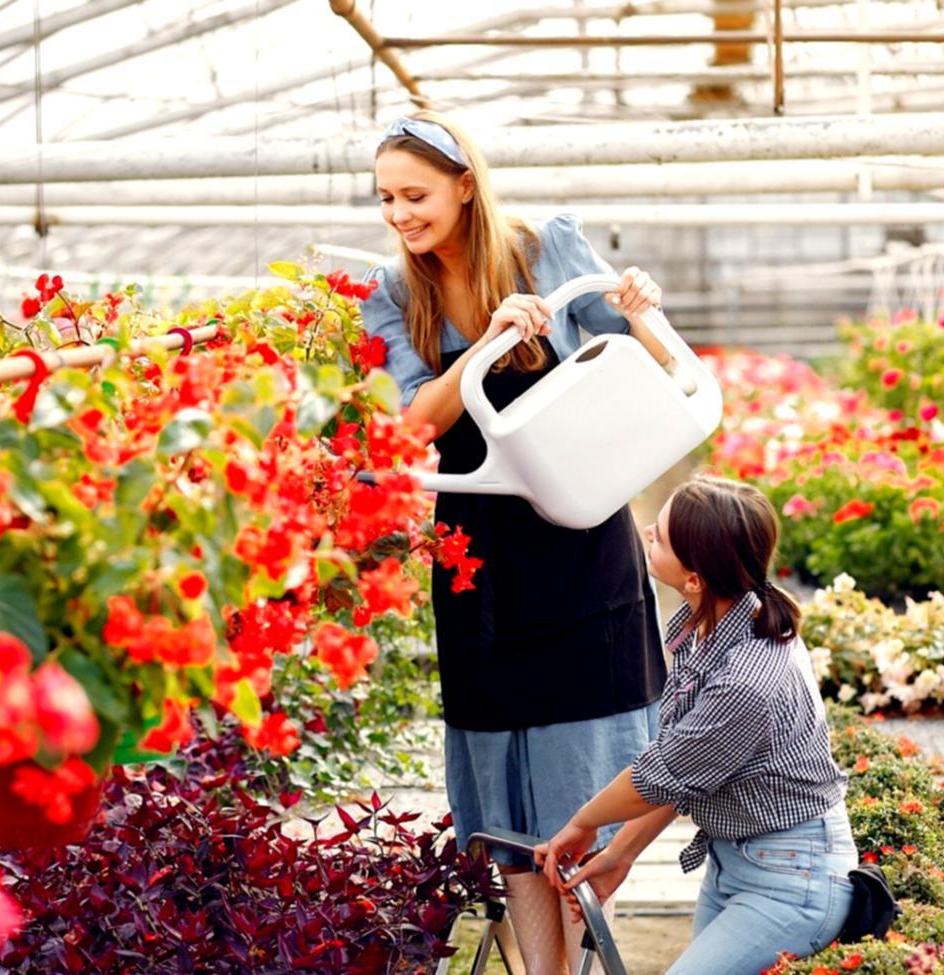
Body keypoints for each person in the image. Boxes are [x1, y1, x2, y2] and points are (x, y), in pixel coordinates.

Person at [359, 110, 674, 974]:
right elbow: (414, 423)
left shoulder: (547, 246)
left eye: (415, 194)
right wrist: (490, 341)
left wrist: (641, 310)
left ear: (467, 184)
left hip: (579, 546)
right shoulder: (392, 294)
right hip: (478, 562)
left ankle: (563, 964)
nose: (399, 214)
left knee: (580, 792)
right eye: (385, 197)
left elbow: (633, 368)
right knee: (512, 806)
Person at [534, 476, 855, 975]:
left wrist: (582, 824)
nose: (643, 531)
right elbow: (686, 769)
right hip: (738, 863)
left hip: (794, 880)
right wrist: (620, 855)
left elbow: (655, 777)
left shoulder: (747, 681)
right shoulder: (712, 624)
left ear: (695, 579)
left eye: (658, 536)